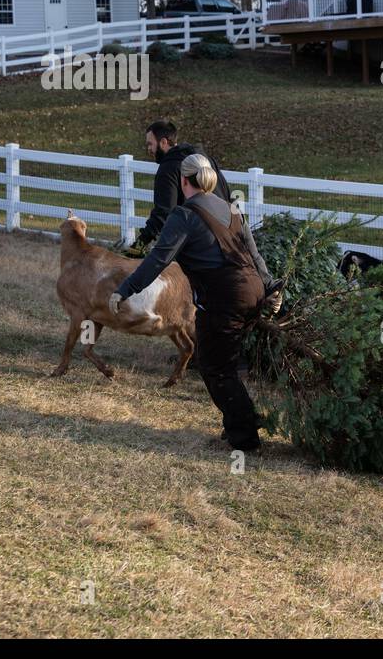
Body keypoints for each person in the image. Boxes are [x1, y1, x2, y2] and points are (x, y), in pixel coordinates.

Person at [109, 153, 282, 451]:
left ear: (183, 180)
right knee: (227, 361)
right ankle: (236, 426)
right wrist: (270, 287)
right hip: (250, 291)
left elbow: (158, 259)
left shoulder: (184, 215)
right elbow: (254, 255)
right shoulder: (232, 209)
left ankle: (246, 439)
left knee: (215, 367)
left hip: (222, 298)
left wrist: (125, 288)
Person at [132, 120, 232, 252]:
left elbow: (163, 213)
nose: (149, 149)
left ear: (163, 142)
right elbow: (226, 193)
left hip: (197, 244)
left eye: (150, 144)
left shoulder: (168, 168)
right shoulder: (205, 158)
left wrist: (139, 245)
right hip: (226, 239)